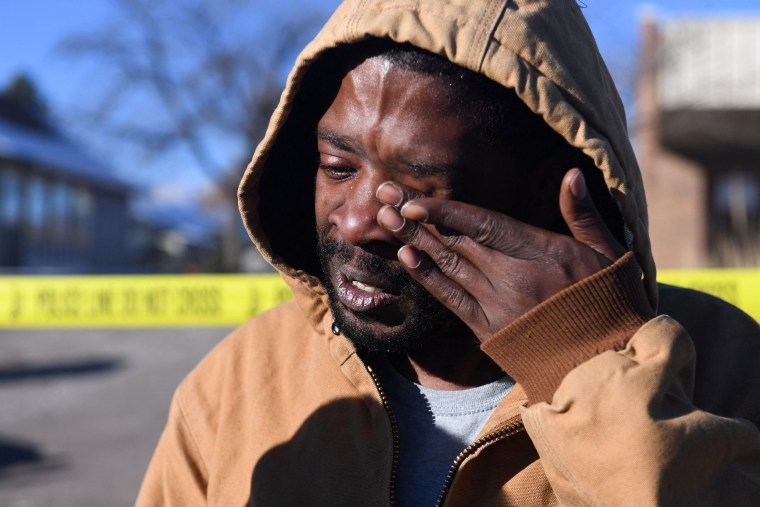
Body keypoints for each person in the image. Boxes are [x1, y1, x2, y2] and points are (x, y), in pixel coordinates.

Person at [137, 0, 760, 505]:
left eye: (410, 188)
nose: (356, 223)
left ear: (549, 194)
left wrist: (596, 372)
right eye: (336, 166)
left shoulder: (726, 367)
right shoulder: (238, 385)